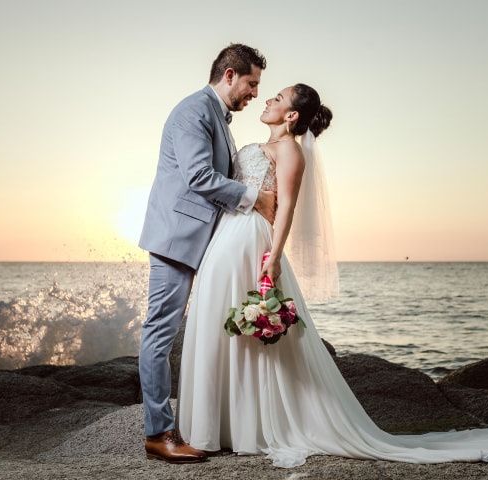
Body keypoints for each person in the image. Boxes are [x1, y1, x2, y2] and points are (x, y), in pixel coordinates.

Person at [176, 83, 488, 468]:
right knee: (218, 320)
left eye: (277, 98)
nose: (267, 99)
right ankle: (221, 424)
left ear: (291, 116)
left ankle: (247, 426)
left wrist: (276, 255)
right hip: (226, 237)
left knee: (251, 333)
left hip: (251, 240)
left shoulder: (290, 152)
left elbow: (285, 210)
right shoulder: (257, 145)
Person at [138, 43, 276, 464]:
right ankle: (157, 433)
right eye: (251, 83)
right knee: (159, 332)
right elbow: (199, 176)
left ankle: (205, 422)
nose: (254, 93)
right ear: (230, 74)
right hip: (177, 238)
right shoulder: (193, 111)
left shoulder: (216, 114)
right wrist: (255, 198)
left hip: (201, 241)